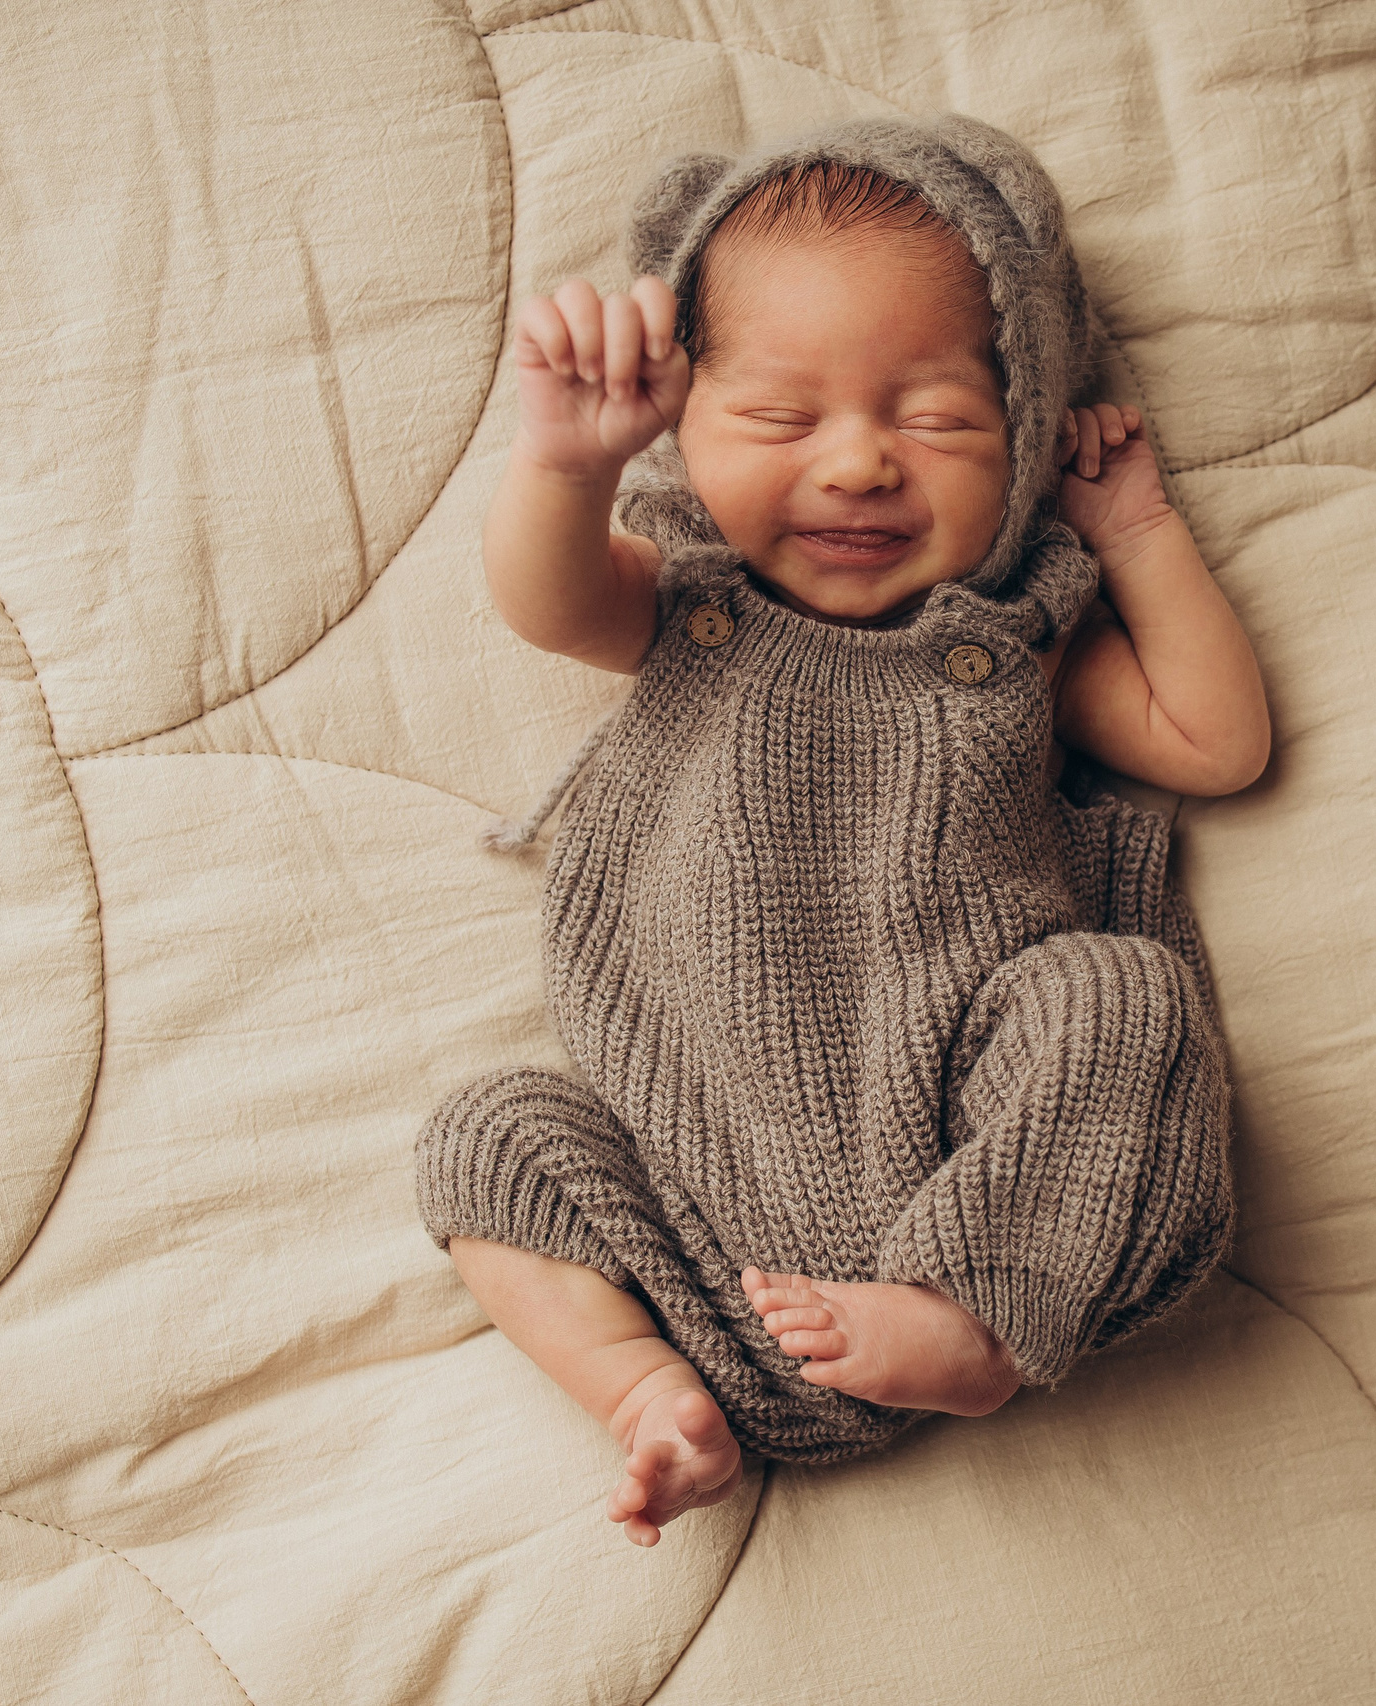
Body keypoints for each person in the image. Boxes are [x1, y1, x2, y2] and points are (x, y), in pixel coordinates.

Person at [416, 115, 1270, 1547]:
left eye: (937, 418)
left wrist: (1135, 533)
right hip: (710, 1236)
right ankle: (642, 1394)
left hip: (971, 1145)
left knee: (1121, 999)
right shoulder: (690, 606)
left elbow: (1216, 740)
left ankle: (971, 1318)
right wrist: (563, 467)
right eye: (780, 418)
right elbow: (549, 602)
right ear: (684, 429)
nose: (863, 463)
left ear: (1027, 423)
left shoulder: (1009, 645)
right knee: (488, 1141)